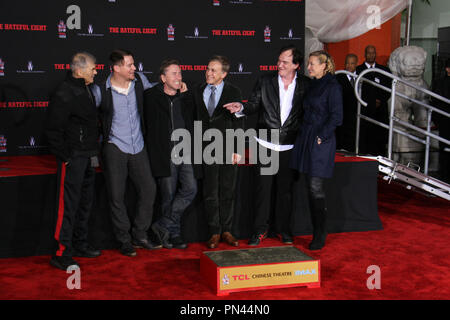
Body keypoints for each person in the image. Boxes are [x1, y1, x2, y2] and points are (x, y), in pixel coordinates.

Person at [224, 45, 310, 246]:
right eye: (279, 60)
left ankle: (284, 230)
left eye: (285, 62)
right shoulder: (265, 81)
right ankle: (259, 230)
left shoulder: (306, 85)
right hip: (264, 143)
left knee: (285, 193)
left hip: (289, 146)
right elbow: (253, 104)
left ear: (296, 65)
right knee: (262, 192)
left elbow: (308, 113)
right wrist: (242, 107)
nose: (279, 65)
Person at [98, 49, 160, 257]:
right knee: (116, 196)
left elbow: (154, 96)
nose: (135, 68)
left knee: (149, 189)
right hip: (115, 146)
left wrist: (175, 87)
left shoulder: (140, 81)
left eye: (134, 64)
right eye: (129, 65)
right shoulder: (101, 89)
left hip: (139, 146)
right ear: (116, 68)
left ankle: (140, 234)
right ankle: (124, 240)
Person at [46, 52, 102, 270]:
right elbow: (53, 129)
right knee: (67, 207)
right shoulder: (65, 92)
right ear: (79, 70)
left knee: (85, 204)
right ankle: (61, 253)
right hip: (73, 158)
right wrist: (66, 157)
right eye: (93, 68)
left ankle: (80, 244)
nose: (96, 72)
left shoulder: (86, 88)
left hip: (89, 156)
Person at [290, 50, 343, 250]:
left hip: (321, 140)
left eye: (312, 64)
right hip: (305, 138)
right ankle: (315, 229)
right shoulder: (312, 85)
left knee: (315, 187)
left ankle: (320, 233)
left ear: (324, 66)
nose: (308, 67)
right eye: (309, 63)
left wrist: (322, 136)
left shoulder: (333, 86)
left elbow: (337, 116)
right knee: (307, 187)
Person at [144, 59, 198, 249]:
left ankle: (161, 226)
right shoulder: (151, 96)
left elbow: (192, 120)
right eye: (174, 73)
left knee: (190, 188)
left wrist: (185, 97)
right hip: (164, 153)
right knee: (168, 195)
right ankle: (172, 234)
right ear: (163, 78)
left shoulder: (186, 97)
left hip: (184, 151)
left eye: (180, 73)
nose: (179, 77)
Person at [192, 55, 243, 249]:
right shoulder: (197, 91)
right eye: (208, 68)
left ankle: (227, 230)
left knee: (227, 191)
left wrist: (238, 149)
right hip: (206, 149)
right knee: (210, 192)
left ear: (224, 73)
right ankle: (214, 231)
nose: (208, 73)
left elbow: (239, 121)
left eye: (214, 70)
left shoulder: (234, 91)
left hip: (228, 148)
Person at [356, 45, 391, 156]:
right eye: (369, 53)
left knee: (380, 141)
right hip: (365, 110)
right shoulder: (358, 70)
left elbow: (389, 88)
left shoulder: (384, 70)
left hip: (380, 112)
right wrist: (370, 102)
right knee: (365, 140)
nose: (371, 55)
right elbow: (357, 89)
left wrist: (380, 100)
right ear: (365, 54)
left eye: (373, 53)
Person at [432, 58, 450, 182]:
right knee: (444, 149)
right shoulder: (440, 83)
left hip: (444, 119)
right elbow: (436, 102)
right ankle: (445, 175)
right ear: (447, 69)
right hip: (445, 121)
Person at [336, 53, 358, 152]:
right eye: (347, 63)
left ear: (356, 64)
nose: (349, 66)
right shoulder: (338, 77)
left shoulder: (361, 77)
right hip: (343, 117)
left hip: (357, 117)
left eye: (352, 63)